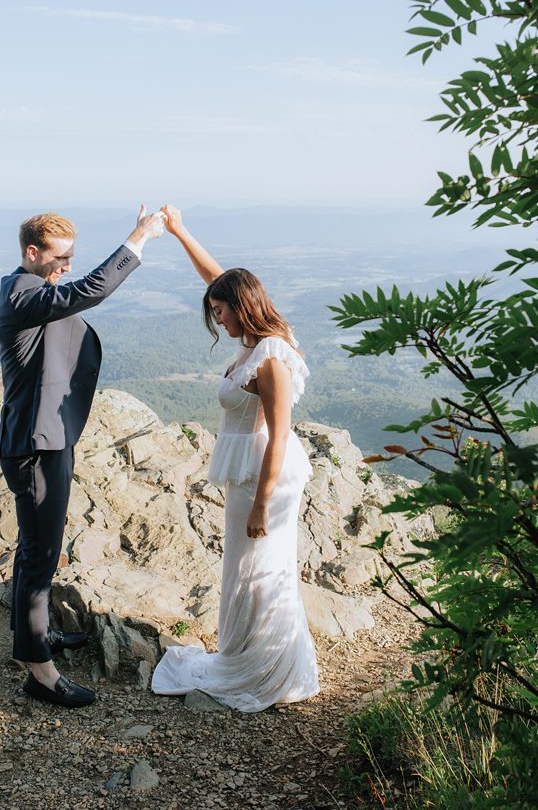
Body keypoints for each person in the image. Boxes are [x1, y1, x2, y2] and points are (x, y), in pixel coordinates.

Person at [151, 205, 319, 712]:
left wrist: (262, 505)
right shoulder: (252, 341)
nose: (216, 319)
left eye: (220, 311)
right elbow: (216, 277)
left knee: (260, 566)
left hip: (265, 474)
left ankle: (266, 669)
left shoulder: (271, 357)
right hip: (248, 471)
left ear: (240, 308)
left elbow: (281, 435)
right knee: (244, 569)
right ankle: (246, 651)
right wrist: (179, 231)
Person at [0, 205, 163, 708]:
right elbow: (89, 290)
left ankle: (37, 637)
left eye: (71, 257)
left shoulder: (33, 288)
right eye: (59, 258)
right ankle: (40, 673)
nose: (66, 266)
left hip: (49, 437)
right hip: (35, 444)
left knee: (39, 546)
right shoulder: (24, 292)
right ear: (32, 252)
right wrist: (139, 237)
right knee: (39, 552)